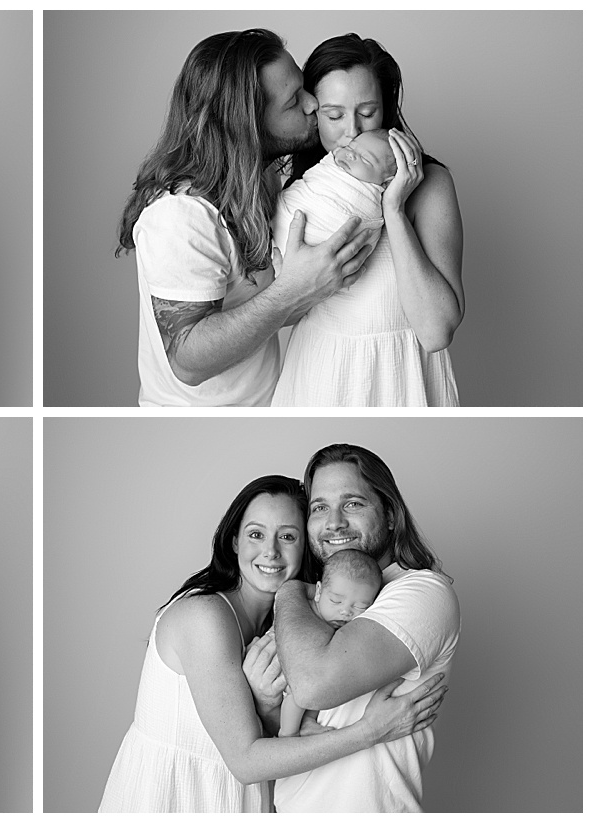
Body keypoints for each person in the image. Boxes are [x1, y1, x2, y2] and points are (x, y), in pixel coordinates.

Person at [99, 475, 444, 812]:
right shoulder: (205, 617)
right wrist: (369, 731)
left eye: (288, 536)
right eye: (256, 534)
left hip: (249, 800)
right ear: (235, 541)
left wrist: (273, 713)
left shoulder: (294, 627)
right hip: (177, 796)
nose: (271, 552)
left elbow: (270, 732)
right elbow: (247, 761)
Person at [117, 29, 378, 406]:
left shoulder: (264, 179)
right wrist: (295, 289)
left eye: (304, 88)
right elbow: (188, 360)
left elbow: (262, 308)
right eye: (293, 103)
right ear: (247, 124)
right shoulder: (180, 215)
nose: (312, 104)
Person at [251, 444, 460, 811]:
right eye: (319, 508)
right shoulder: (310, 610)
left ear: (390, 514)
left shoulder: (422, 591)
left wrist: (289, 590)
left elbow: (314, 685)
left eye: (352, 504)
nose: (334, 523)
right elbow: (278, 728)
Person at [272, 35, 463, 406]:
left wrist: (393, 209)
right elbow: (278, 315)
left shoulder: (430, 186)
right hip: (321, 372)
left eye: (367, 111)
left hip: (402, 376)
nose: (352, 132)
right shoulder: (302, 192)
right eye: (334, 115)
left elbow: (436, 331)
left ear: (387, 111)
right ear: (313, 111)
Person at [276, 549, 381, 737]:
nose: (345, 612)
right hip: (289, 671)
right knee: (298, 695)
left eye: (360, 607)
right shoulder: (306, 612)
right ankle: (287, 734)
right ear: (318, 592)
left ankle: (306, 722)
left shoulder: (342, 625)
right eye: (335, 601)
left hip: (313, 680)